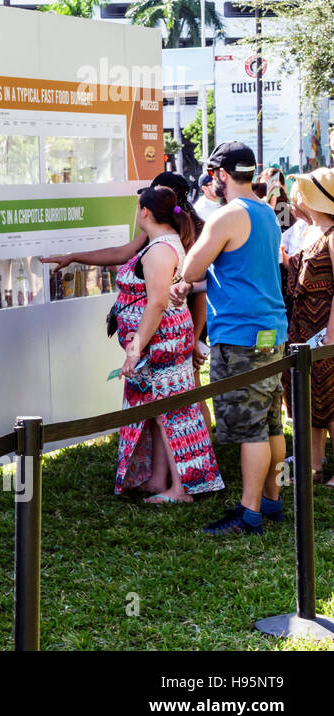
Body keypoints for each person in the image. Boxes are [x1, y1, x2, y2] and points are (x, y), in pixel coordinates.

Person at [171, 142, 289, 536]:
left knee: (248, 428)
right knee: (271, 422)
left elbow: (189, 267)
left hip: (241, 337)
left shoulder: (227, 216)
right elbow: (241, 272)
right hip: (272, 332)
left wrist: (187, 281)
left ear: (222, 174)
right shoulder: (266, 213)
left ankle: (249, 513)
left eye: (211, 174)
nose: (209, 181)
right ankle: (272, 500)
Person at [113, 187, 224, 501]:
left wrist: (135, 350)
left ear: (145, 212)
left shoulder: (160, 249)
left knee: (170, 412)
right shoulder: (164, 243)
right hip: (165, 337)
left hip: (161, 340)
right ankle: (160, 479)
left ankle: (180, 488)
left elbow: (157, 303)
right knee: (162, 410)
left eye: (137, 208)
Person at [43, 171, 210, 370]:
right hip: (159, 342)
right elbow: (120, 253)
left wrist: (193, 339)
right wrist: (73, 257)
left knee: (183, 391)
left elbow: (163, 302)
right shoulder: (161, 234)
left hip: (164, 342)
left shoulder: (165, 245)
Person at [282, 168, 334, 485]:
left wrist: (332, 332)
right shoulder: (305, 231)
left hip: (325, 323)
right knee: (307, 396)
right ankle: (314, 465)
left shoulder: (332, 235)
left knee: (331, 398)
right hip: (300, 324)